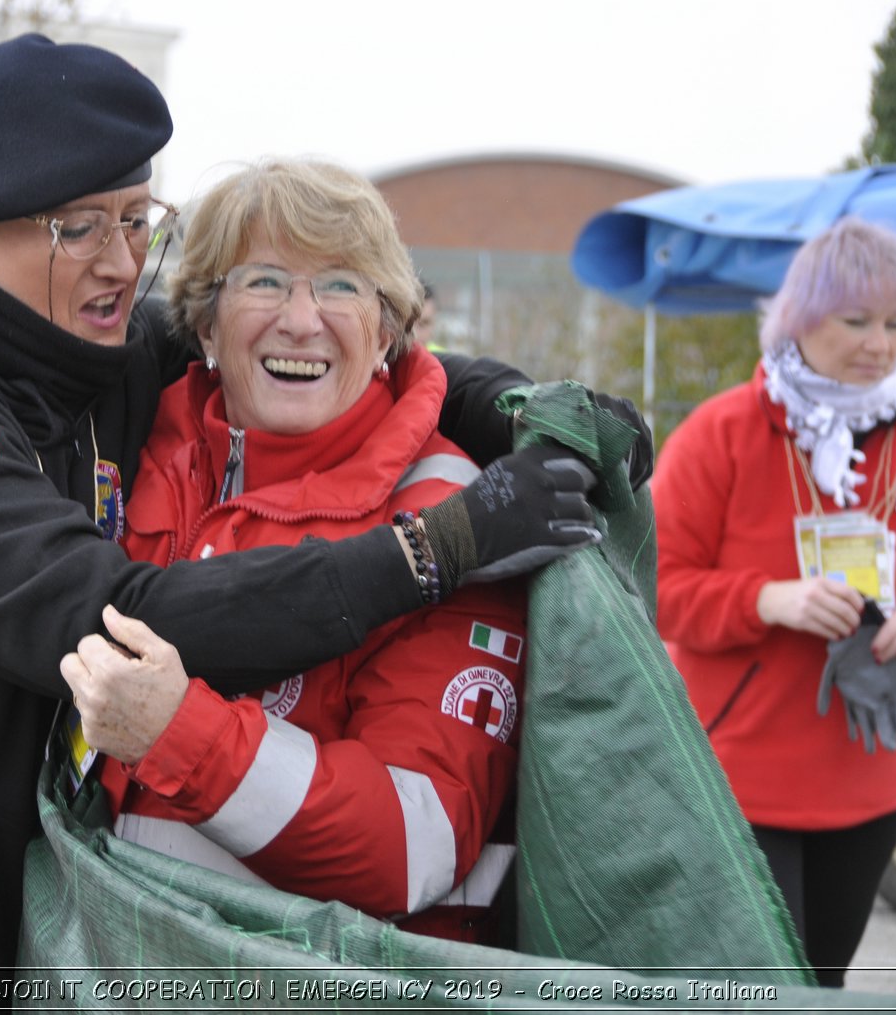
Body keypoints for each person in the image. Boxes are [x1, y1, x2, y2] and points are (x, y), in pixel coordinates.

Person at [0, 34, 611, 1002]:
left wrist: (511, 408)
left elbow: (298, 330)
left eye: (135, 217)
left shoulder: (74, 343)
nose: (118, 262)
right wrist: (435, 548)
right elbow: (122, 616)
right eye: (73, 227)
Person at [59, 159, 550, 943]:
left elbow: (413, 836)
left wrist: (179, 733)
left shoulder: (455, 508)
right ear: (206, 321)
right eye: (264, 282)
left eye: (341, 286)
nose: (300, 318)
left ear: (388, 330)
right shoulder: (138, 444)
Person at [651, 217, 896, 987]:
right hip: (737, 774)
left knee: (822, 981)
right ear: (799, 318)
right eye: (855, 320)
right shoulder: (719, 432)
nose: (880, 345)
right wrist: (766, 599)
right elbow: (649, 585)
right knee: (760, 985)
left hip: (877, 774)